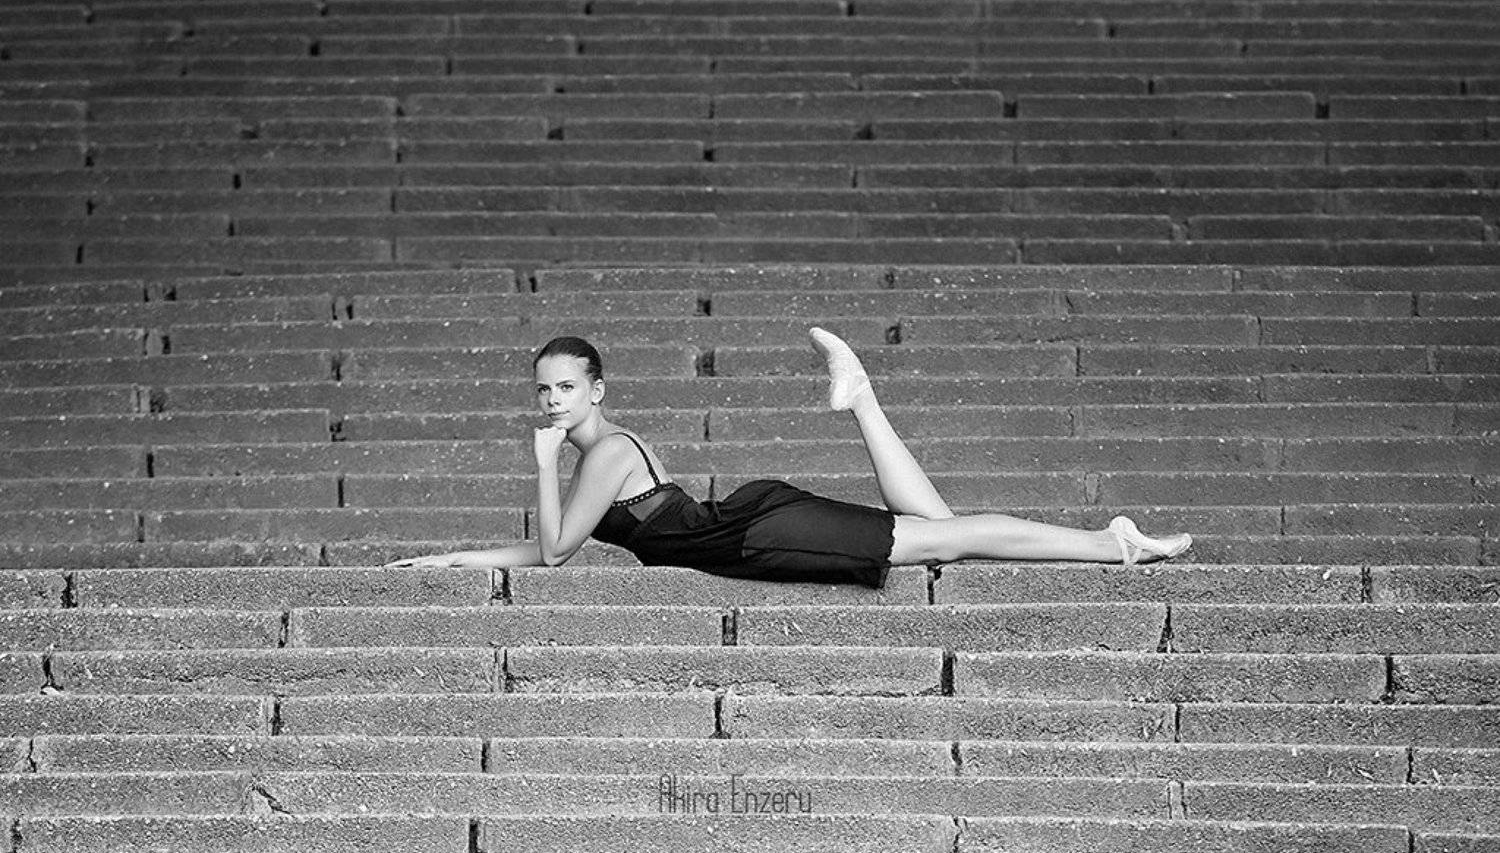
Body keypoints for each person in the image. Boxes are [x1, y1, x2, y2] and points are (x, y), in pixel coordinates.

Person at [385, 329, 1191, 583]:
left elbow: (559, 552)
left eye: (565, 388)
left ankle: (1112, 544)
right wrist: (455, 558)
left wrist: (538, 462)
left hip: (760, 533)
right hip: (754, 526)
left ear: (597, 390)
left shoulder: (604, 454)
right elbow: (540, 548)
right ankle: (865, 401)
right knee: (946, 529)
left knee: (947, 537)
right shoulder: (600, 460)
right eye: (543, 392)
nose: (552, 402)